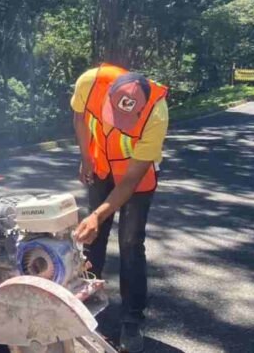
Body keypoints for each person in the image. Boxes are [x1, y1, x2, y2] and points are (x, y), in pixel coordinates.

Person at [71, 64, 169, 353]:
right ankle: (83, 306)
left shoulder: (155, 114)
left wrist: (97, 214)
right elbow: (79, 118)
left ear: (139, 112)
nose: (115, 124)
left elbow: (128, 183)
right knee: (93, 238)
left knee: (130, 242)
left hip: (135, 180)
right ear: (109, 94)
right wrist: (87, 157)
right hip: (101, 167)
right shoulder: (90, 83)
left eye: (125, 121)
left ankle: (131, 320)